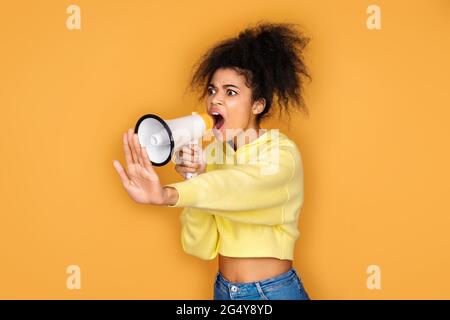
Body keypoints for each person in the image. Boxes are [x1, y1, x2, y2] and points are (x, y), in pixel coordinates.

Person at [113, 21, 312, 300]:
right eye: (212, 90)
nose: (215, 100)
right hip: (223, 291)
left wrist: (170, 194)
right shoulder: (215, 155)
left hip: (271, 292)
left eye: (230, 92)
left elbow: (239, 188)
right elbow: (200, 246)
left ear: (258, 105)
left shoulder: (282, 154)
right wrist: (195, 178)